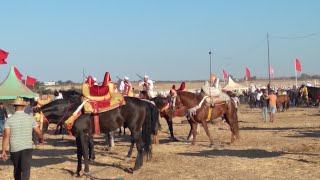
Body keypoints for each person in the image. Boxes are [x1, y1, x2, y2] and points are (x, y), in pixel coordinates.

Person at [1, 97, 43, 180]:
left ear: (14, 107)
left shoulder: (9, 120)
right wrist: (41, 138)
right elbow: (38, 132)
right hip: (27, 148)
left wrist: (3, 151)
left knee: (17, 169)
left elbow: (6, 136)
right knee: (26, 170)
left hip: (14, 149)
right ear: (24, 107)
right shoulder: (30, 118)